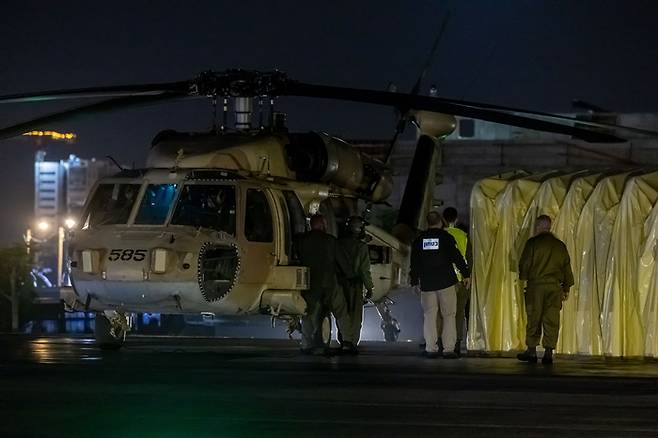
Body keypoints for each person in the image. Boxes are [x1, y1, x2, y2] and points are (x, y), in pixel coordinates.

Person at [410, 211, 470, 359]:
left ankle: (431, 348)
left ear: (427, 222)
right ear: (441, 222)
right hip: (446, 282)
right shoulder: (446, 238)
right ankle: (448, 349)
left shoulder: (419, 240)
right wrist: (466, 274)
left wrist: (414, 282)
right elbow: (457, 257)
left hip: (427, 284)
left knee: (429, 316)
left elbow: (414, 263)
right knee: (449, 315)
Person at [517, 215, 574, 364]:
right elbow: (566, 267)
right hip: (554, 288)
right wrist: (566, 287)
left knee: (533, 318)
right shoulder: (560, 245)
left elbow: (524, 265)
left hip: (536, 287)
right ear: (549, 227)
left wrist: (524, 276)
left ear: (538, 227)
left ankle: (531, 351)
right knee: (552, 319)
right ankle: (548, 352)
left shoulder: (532, 243)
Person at [297, 213, 355, 355]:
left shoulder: (302, 241)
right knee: (341, 311)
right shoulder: (330, 241)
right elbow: (343, 262)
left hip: (310, 283)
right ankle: (347, 342)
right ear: (322, 225)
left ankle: (306, 344)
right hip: (330, 282)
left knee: (308, 314)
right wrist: (352, 276)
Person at [337, 216, 374, 351]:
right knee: (355, 315)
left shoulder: (338, 244)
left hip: (339, 283)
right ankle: (351, 342)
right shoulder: (361, 247)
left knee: (342, 312)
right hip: (355, 285)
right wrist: (369, 287)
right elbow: (365, 270)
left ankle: (343, 339)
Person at [438, 207, 470, 357]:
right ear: (456, 219)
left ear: (443, 219)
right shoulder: (463, 235)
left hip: (444, 280)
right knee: (458, 313)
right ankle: (456, 343)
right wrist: (467, 276)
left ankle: (441, 342)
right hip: (461, 281)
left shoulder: (440, 235)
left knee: (442, 313)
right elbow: (468, 258)